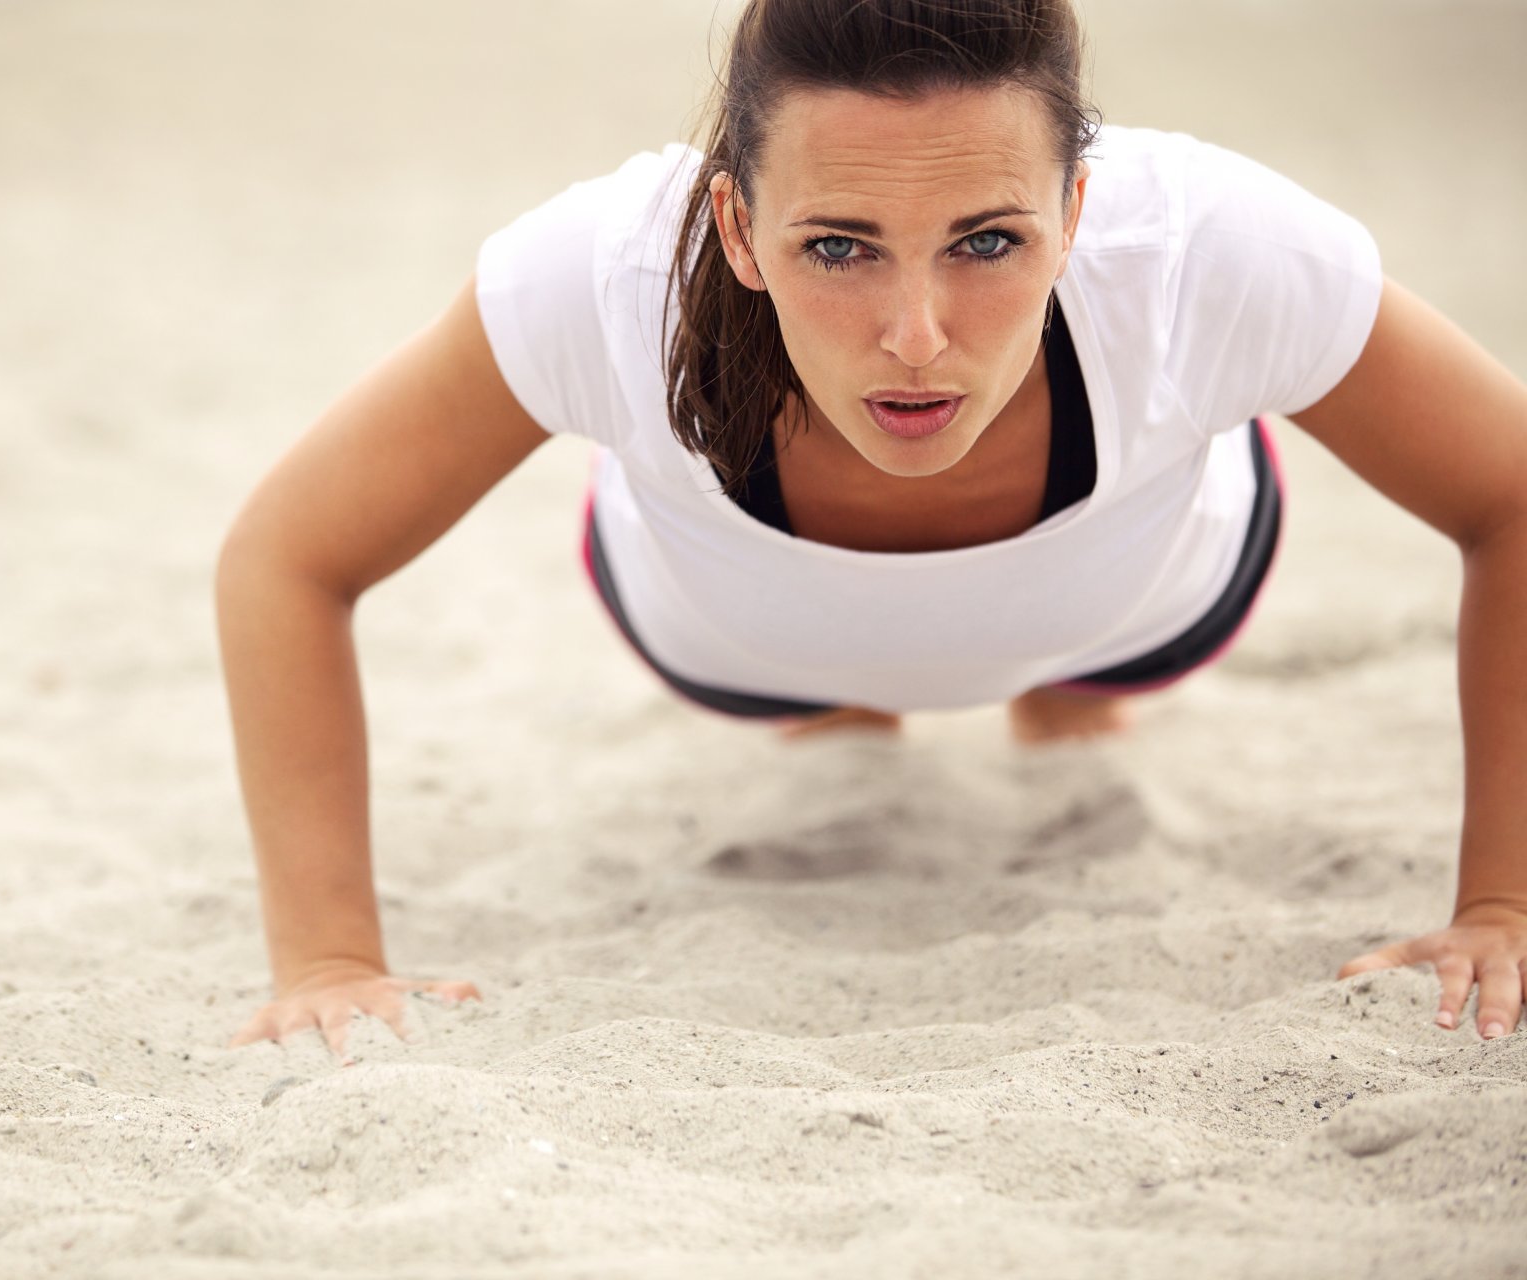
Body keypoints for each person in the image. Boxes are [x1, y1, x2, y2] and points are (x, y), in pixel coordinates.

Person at [215, 0, 1527, 1062]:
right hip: (739, 635)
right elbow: (288, 559)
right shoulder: (600, 277)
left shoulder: (1206, 253)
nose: (918, 334)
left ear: (1078, 212)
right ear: (734, 226)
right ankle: (849, 696)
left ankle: (1065, 691)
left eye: (989, 241)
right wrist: (329, 959)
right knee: (831, 706)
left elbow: (1509, 493)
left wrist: (1501, 906)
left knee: (1080, 690)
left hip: (1138, 605)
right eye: (840, 248)